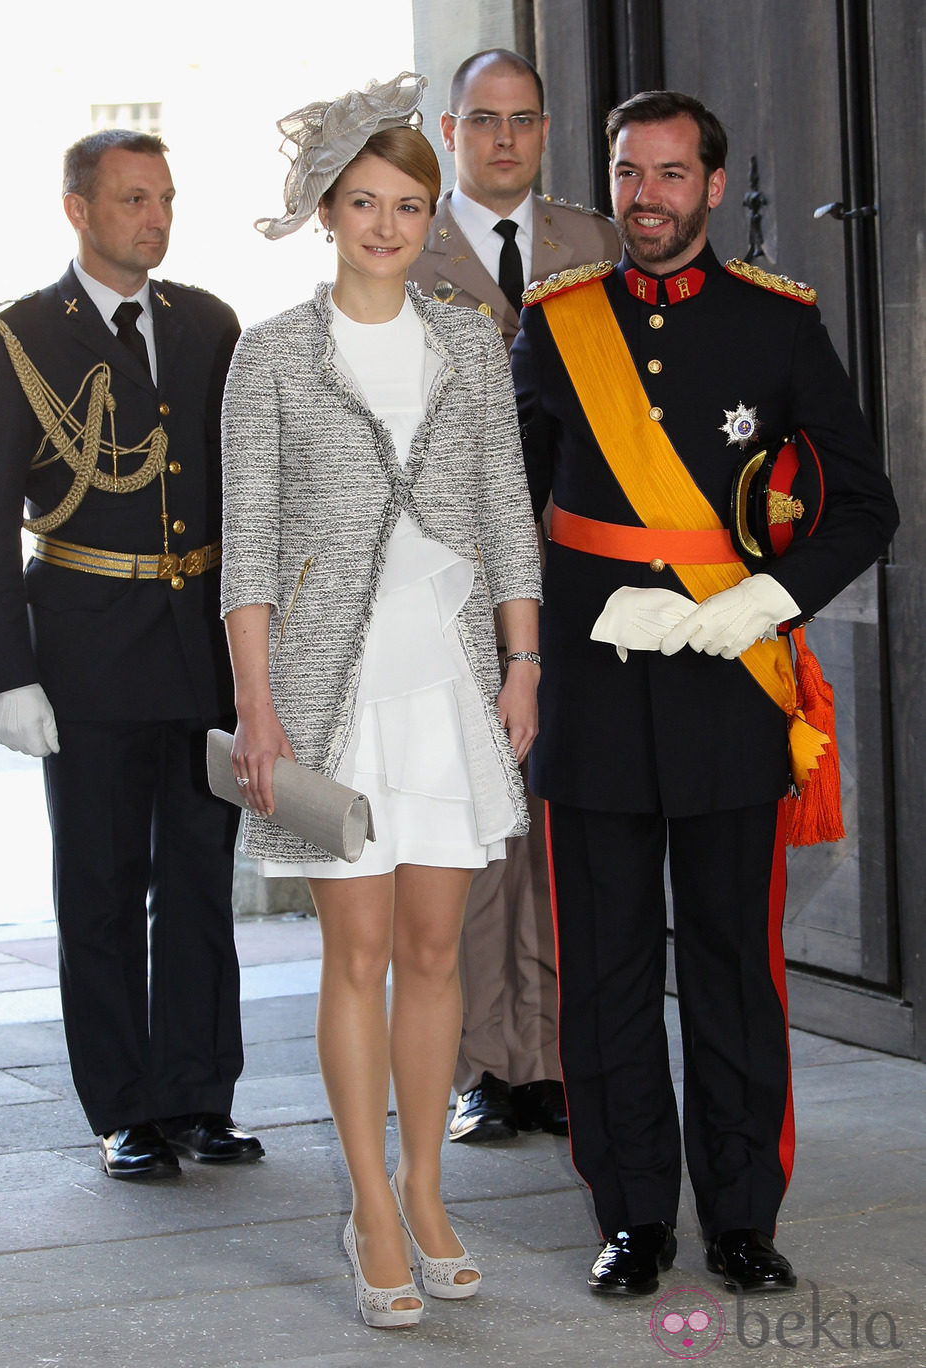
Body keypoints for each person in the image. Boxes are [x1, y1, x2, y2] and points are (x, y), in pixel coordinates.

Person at [511, 90, 899, 1298]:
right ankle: (631, 1215)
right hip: (592, 697)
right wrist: (561, 623)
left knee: (735, 965)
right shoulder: (557, 323)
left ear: (713, 188)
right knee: (610, 970)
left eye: (671, 176)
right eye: (629, 173)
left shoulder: (775, 327)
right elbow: (497, 509)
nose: (646, 199)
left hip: (731, 693)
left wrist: (760, 603)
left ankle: (740, 1214)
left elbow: (861, 502)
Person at [220, 73, 541, 1328]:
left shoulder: (469, 337)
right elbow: (246, 549)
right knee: (354, 956)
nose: (389, 227)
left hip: (450, 685)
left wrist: (521, 666)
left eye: (410, 205)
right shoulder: (272, 355)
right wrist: (257, 707)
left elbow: (510, 516)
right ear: (327, 212)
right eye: (365, 203)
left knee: (432, 952)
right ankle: (365, 1203)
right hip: (328, 691)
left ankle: (425, 1187)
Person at [0, 129, 263, 1180]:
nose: (157, 219)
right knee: (98, 884)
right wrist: (8, 673)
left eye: (166, 198)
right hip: (83, 652)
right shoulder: (14, 337)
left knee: (197, 881)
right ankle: (124, 1108)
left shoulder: (210, 323)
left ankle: (198, 1095)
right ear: (78, 210)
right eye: (134, 200)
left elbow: (242, 489)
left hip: (197, 650)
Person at [409, 47, 618, 1147]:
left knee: (558, 822)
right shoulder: (404, 237)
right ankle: (482, 1062)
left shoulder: (591, 242)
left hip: (575, 574)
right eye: (482, 121)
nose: (502, 140)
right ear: (449, 132)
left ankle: (551, 1051)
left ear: (545, 131)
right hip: (451, 581)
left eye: (522, 121)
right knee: (474, 824)